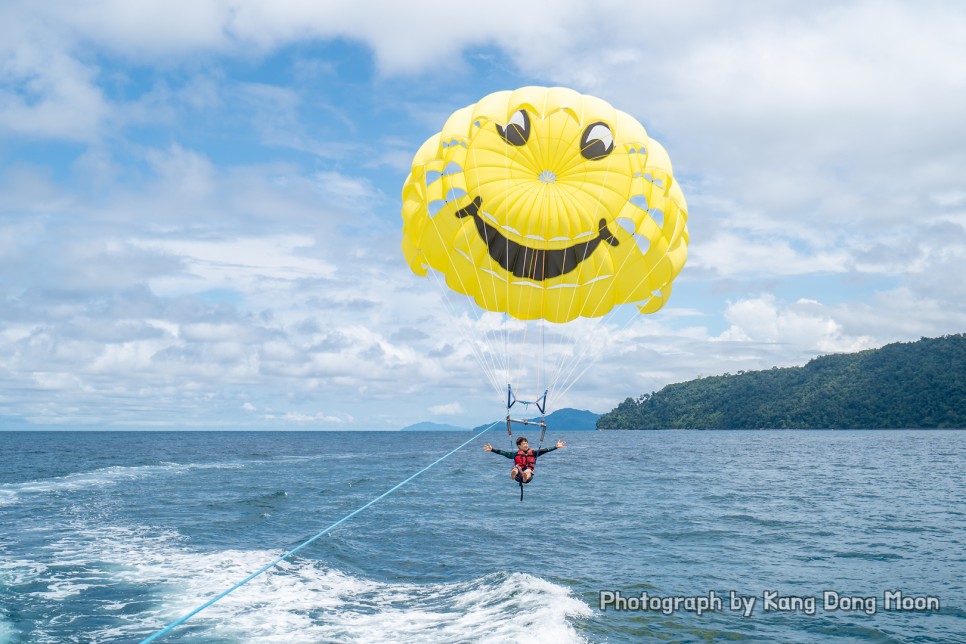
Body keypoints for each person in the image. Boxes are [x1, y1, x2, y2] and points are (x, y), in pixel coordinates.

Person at [483, 436, 566, 484]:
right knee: (516, 468)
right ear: (519, 446)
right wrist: (492, 449)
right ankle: (513, 474)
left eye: (526, 443)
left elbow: (545, 450)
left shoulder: (533, 453)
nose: (526, 445)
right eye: (523, 444)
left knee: (528, 471)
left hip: (528, 474)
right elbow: (504, 453)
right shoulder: (516, 454)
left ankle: (525, 477)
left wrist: (555, 447)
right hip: (518, 474)